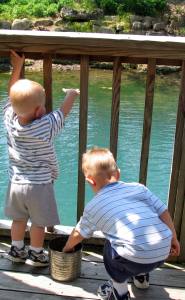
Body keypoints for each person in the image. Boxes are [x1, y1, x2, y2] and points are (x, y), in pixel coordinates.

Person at [63, 147, 180, 300]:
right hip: (162, 252)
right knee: (141, 233)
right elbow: (164, 212)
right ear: (118, 173)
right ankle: (141, 279)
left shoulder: (94, 205)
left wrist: (67, 248)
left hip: (133, 258)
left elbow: (79, 233)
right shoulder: (139, 188)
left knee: (111, 245)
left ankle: (119, 292)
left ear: (90, 181)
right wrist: (173, 238)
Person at [3, 50, 80, 267]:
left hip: (16, 183)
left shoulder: (10, 118)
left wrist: (17, 66)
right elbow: (62, 114)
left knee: (18, 220)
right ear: (39, 111)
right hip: (39, 185)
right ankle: (36, 254)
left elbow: (11, 93)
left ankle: (17, 250)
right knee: (38, 223)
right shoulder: (44, 126)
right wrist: (72, 94)